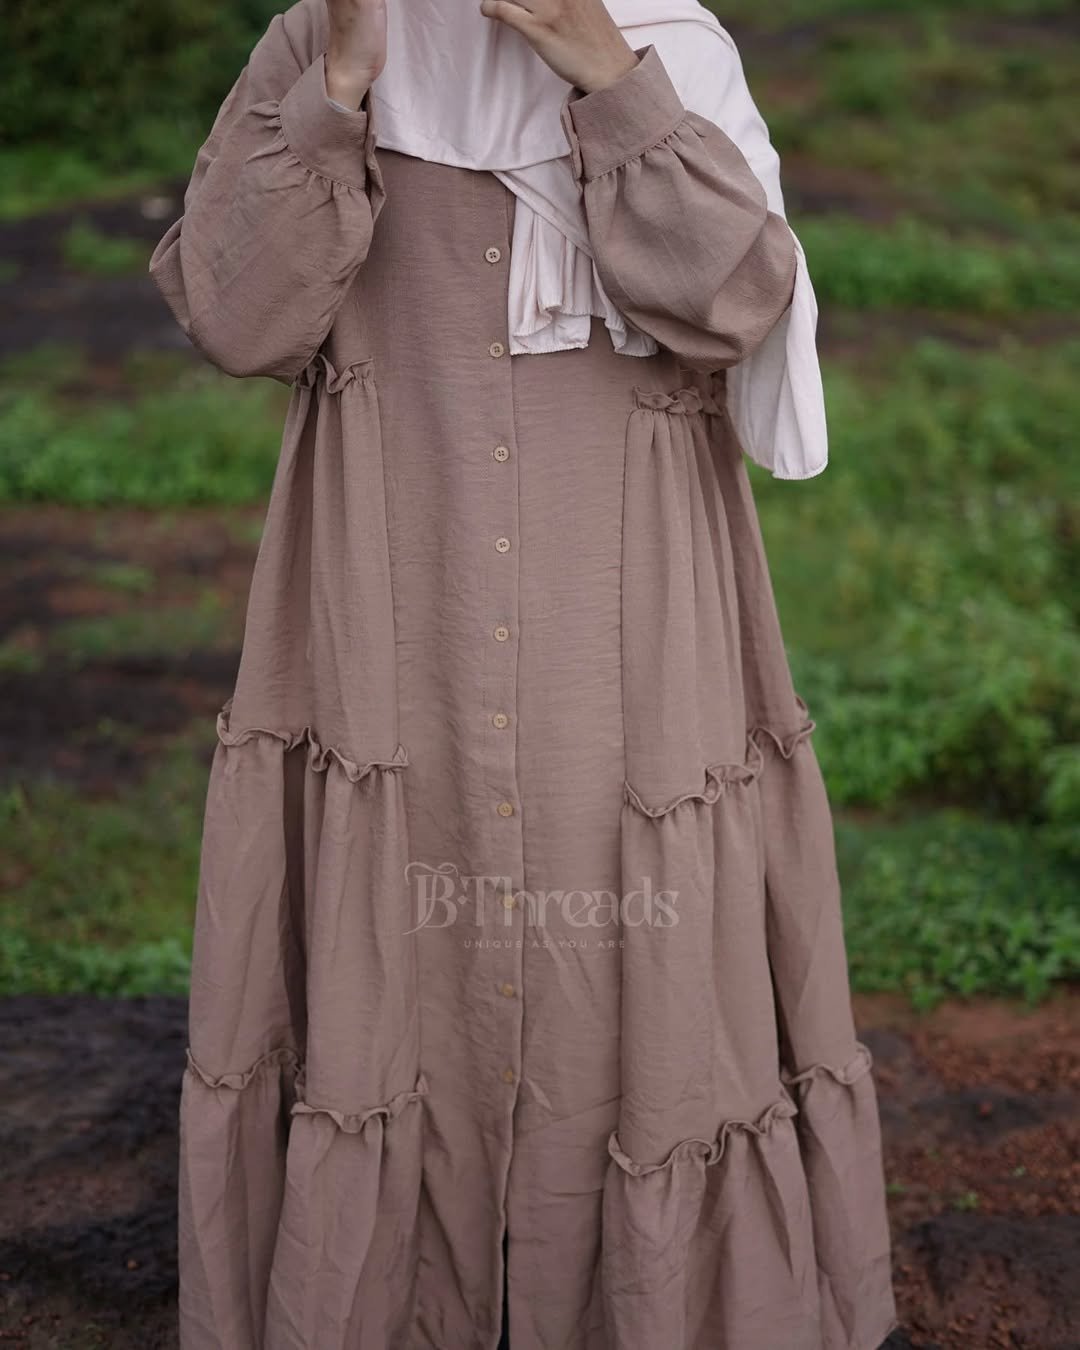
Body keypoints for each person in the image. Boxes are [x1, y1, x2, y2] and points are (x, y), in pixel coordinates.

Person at [149, 0, 899, 1346]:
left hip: (631, 618)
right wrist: (346, 82)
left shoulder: (670, 43)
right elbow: (234, 314)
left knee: (629, 941)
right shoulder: (316, 41)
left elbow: (738, 303)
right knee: (402, 940)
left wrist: (607, 76)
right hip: (394, 596)